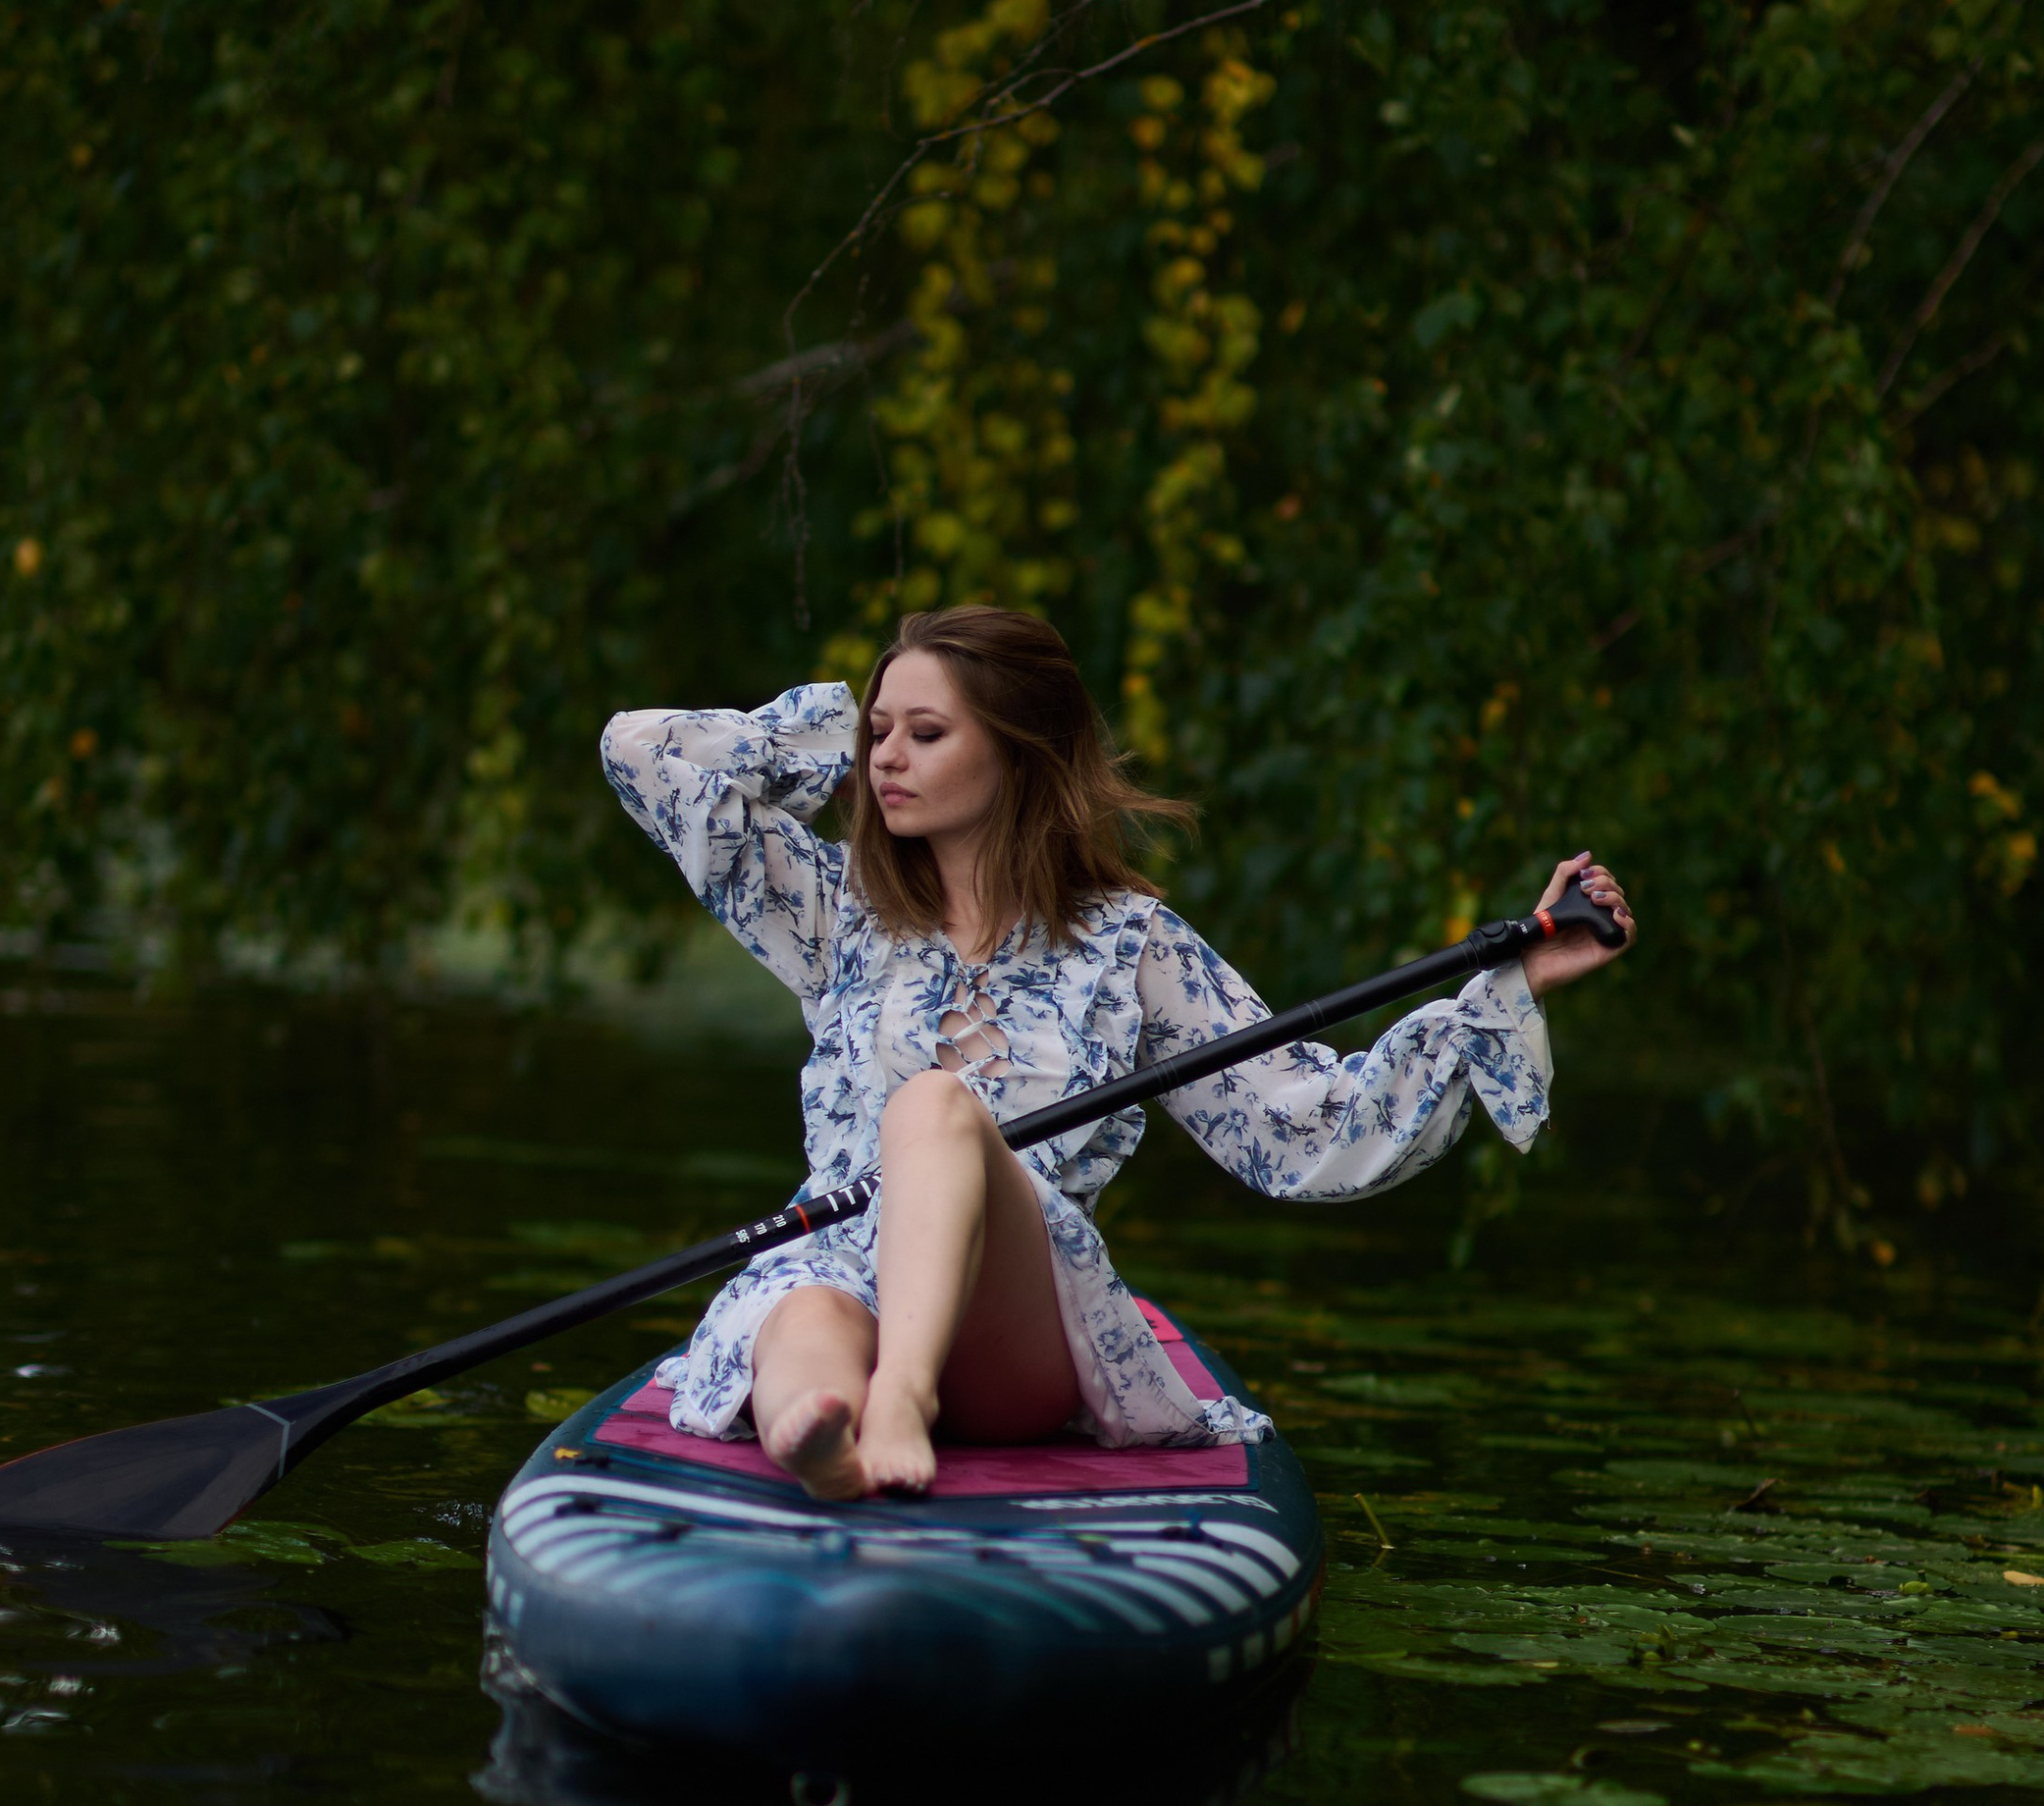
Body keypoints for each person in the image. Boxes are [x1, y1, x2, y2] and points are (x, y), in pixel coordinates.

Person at [601, 604, 1634, 1502]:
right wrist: (827, 734)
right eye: (879, 733)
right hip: (841, 1270)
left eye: (924, 731)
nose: (885, 758)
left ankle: (900, 1401)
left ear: (1018, 751)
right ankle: (816, 1429)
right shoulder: (834, 911)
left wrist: (1513, 985)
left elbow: (1307, 1129)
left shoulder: (1130, 945)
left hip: (1015, 1323)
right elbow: (641, 752)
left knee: (932, 1106)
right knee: (799, 1308)